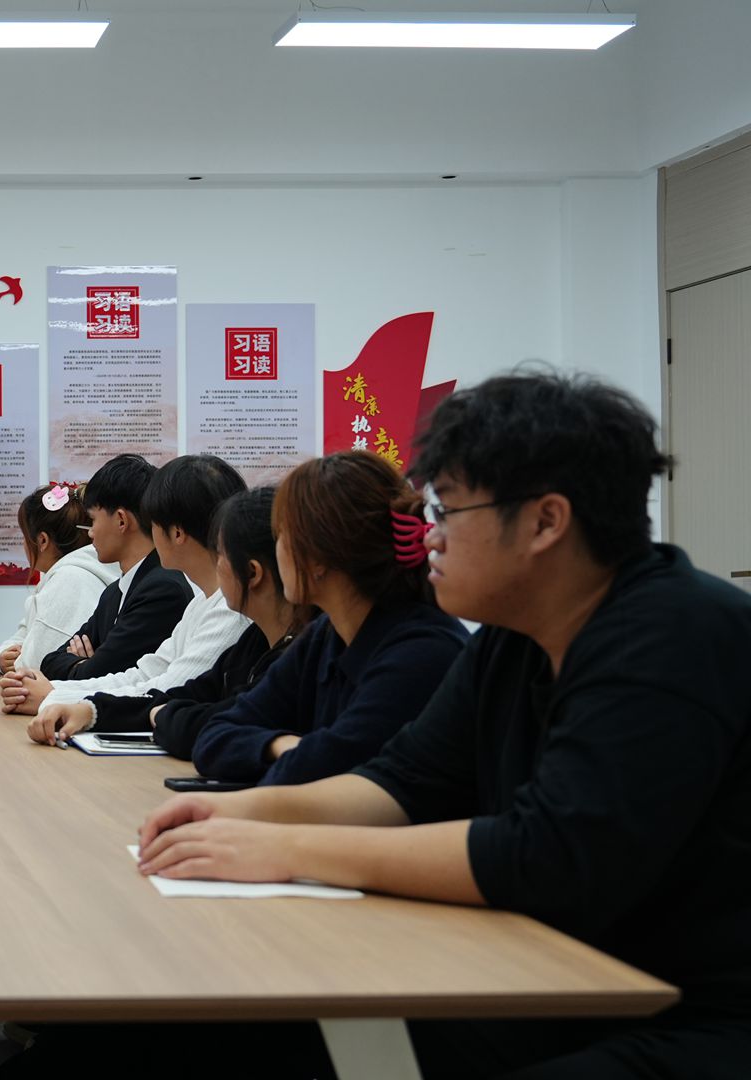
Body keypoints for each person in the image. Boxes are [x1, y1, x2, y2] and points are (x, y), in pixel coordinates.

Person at [129, 371, 751, 1077]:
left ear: (546, 522)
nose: (428, 538)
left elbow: (544, 856)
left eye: (448, 510)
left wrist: (285, 847)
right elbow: (401, 781)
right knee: (221, 1033)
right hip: (549, 975)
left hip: (685, 1013)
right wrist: (232, 812)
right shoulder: (511, 639)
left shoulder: (670, 634)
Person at [184, 450, 467, 786]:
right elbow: (213, 737)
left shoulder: (421, 652)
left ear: (318, 558)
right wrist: (281, 745)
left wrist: (282, 749)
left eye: (281, 536)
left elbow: (328, 767)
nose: (276, 550)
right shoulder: (326, 634)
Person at [35, 487, 317, 757]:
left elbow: (217, 723)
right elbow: (179, 693)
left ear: (252, 573)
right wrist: (92, 710)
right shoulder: (252, 638)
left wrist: (162, 713)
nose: (217, 565)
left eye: (221, 555)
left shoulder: (296, 650)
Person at [14, 455, 250, 725]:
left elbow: (168, 689)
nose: (150, 532)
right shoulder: (202, 603)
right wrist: (56, 692)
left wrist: (55, 696)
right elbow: (145, 674)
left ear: (177, 533)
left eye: (154, 522)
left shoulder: (227, 608)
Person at [16, 454, 192, 689]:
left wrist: (86, 665)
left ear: (121, 521)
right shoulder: (116, 591)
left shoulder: (162, 590)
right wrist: (84, 665)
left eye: (93, 520)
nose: (89, 532)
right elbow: (51, 661)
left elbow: (101, 675)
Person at [0, 482, 121, 674]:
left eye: (25, 536)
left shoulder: (69, 580)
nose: (24, 544)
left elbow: (34, 666)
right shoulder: (69, 575)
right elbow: (22, 639)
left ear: (42, 540)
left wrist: (16, 659)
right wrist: (0, 657)